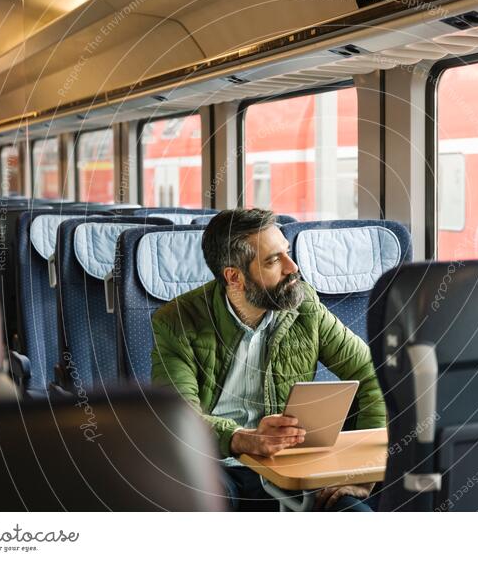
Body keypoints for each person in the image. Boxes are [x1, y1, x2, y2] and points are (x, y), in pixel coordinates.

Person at [151, 208, 386, 511]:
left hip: (294, 467)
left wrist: (361, 471)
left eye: (286, 253)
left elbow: (374, 371)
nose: (293, 267)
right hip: (218, 467)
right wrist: (240, 438)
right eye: (273, 260)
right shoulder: (177, 322)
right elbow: (178, 417)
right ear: (234, 277)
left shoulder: (304, 307)